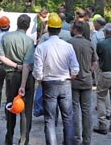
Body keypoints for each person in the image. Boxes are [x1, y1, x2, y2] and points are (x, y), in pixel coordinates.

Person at [33, 13, 80, 145]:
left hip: (48, 85)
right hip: (65, 83)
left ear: (48, 29)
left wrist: (41, 79)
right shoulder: (68, 46)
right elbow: (75, 68)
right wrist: (69, 77)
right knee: (68, 118)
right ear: (60, 29)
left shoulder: (42, 47)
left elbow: (38, 71)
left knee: (49, 119)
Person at [0, 14, 35, 145]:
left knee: (10, 107)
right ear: (28, 25)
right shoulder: (29, 41)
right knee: (25, 110)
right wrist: (23, 85)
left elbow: (1, 57)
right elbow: (26, 65)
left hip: (10, 76)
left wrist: (15, 65)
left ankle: (9, 138)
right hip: (26, 78)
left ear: (17, 24)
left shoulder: (6, 37)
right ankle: (24, 140)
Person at [68, 21, 98, 145]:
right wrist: (89, 70)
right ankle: (87, 140)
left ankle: (76, 138)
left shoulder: (69, 43)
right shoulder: (89, 44)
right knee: (86, 110)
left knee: (75, 110)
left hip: (73, 81)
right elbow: (95, 62)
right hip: (86, 80)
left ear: (75, 30)